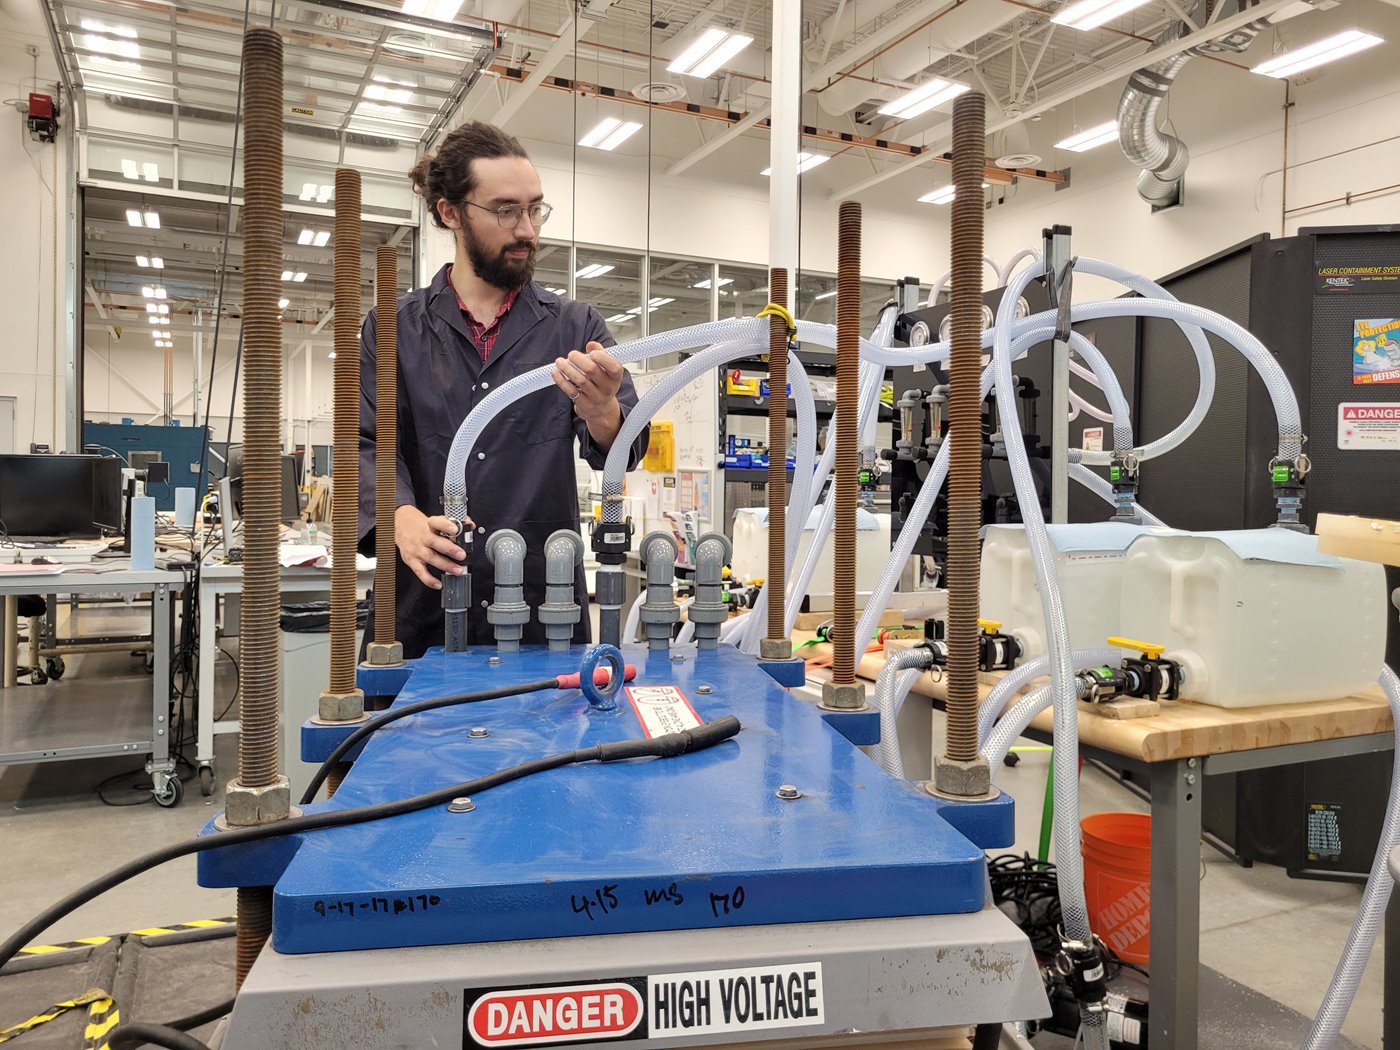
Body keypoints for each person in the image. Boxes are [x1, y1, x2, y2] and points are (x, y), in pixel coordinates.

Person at [358, 122, 649, 658]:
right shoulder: (394, 326)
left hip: (544, 610)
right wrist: (402, 519)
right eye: (506, 210)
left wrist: (604, 409)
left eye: (535, 209)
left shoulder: (574, 325)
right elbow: (368, 443)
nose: (527, 230)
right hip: (421, 609)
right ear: (451, 213)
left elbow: (625, 444)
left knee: (553, 744)